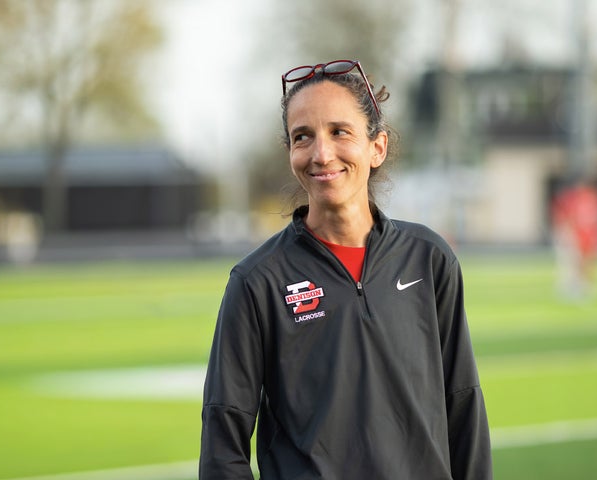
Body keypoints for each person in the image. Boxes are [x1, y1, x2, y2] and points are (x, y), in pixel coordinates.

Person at [199, 59, 492, 479]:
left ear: (378, 147)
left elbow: (463, 404)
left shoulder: (429, 258)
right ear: (290, 154)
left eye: (340, 132)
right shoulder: (257, 282)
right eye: (303, 137)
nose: (321, 153)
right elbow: (222, 444)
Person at [551, 178, 597, 300]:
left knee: (588, 262)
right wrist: (569, 234)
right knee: (574, 262)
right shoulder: (573, 199)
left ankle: (585, 286)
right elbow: (566, 218)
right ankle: (574, 287)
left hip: (589, 235)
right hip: (577, 235)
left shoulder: (594, 199)